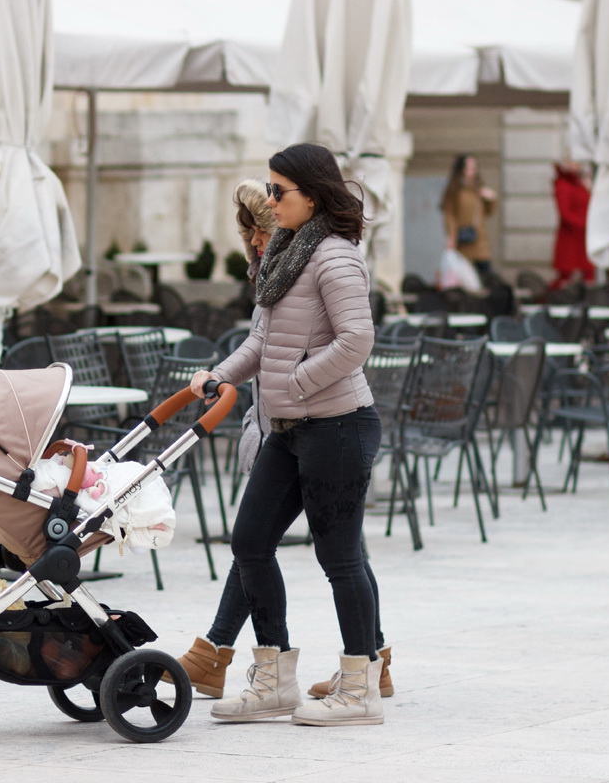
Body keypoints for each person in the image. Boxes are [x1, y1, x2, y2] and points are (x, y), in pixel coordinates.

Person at [174, 180, 394, 708]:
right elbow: (260, 342)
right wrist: (221, 375)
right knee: (251, 542)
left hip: (335, 423)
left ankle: (363, 678)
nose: (272, 201)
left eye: (279, 190)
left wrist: (292, 384)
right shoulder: (279, 266)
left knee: (340, 556)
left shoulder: (332, 257)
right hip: (289, 428)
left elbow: (356, 340)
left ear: (310, 196)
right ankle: (273, 678)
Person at [441, 154, 497, 279]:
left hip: (479, 238)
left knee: (485, 273)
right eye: (468, 167)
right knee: (464, 275)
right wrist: (451, 236)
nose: (472, 171)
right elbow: (450, 216)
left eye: (473, 167)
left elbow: (487, 213)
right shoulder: (455, 191)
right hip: (462, 239)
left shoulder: (478, 190)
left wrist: (491, 199)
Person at [552, 161, 594, 286]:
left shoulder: (581, 182)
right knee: (565, 275)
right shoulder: (563, 184)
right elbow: (565, 213)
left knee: (589, 272)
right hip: (571, 236)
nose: (575, 166)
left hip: (584, 236)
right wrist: (585, 224)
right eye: (571, 163)